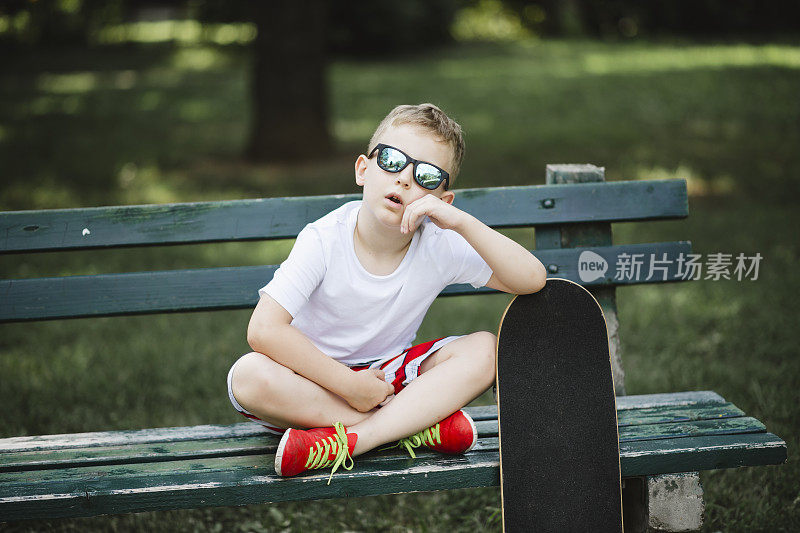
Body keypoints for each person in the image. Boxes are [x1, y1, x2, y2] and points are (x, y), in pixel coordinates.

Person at [227, 103, 546, 483]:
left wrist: (461, 223)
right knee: (248, 376)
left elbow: (532, 278)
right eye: (392, 161)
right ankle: (412, 425)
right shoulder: (324, 239)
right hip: (311, 383)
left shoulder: (438, 243)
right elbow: (263, 330)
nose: (405, 180)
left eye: (427, 175)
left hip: (389, 378)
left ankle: (358, 439)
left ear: (441, 201)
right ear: (363, 169)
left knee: (484, 350)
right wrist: (349, 385)